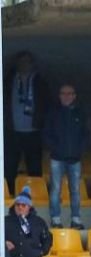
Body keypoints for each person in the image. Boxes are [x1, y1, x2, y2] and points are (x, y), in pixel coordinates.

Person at [43, 83, 86, 229]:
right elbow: (46, 133)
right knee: (55, 189)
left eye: (69, 93)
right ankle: (55, 219)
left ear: (74, 96)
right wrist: (55, 148)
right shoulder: (53, 112)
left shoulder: (80, 113)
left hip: (75, 159)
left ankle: (76, 219)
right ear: (59, 95)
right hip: (57, 157)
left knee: (75, 190)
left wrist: (79, 149)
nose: (66, 96)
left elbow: (85, 134)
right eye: (63, 93)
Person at [4, 51, 48, 193]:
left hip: (33, 131)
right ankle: (8, 194)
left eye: (27, 62)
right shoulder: (9, 80)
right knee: (9, 165)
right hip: (13, 131)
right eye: (21, 62)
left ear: (32, 64)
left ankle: (34, 194)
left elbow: (45, 104)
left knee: (34, 166)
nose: (24, 65)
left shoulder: (39, 81)